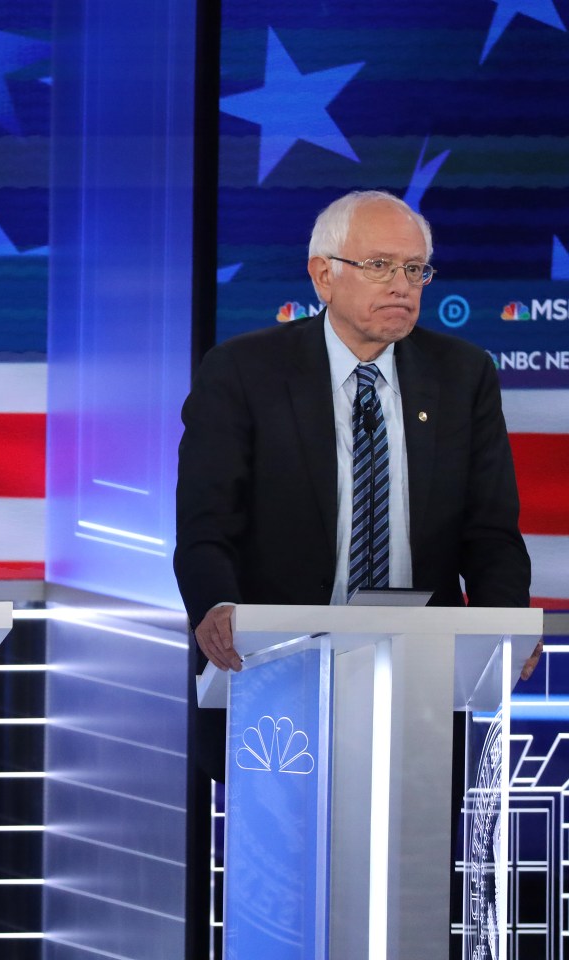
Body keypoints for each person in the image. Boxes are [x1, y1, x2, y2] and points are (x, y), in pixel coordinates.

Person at [174, 189, 535, 780]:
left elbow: (491, 529)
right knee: (285, 862)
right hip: (276, 672)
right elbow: (206, 523)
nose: (402, 284)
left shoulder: (463, 374)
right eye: (379, 266)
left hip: (420, 677)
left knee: (412, 863)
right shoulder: (243, 371)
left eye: (415, 269)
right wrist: (217, 606)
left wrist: (504, 624)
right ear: (323, 276)